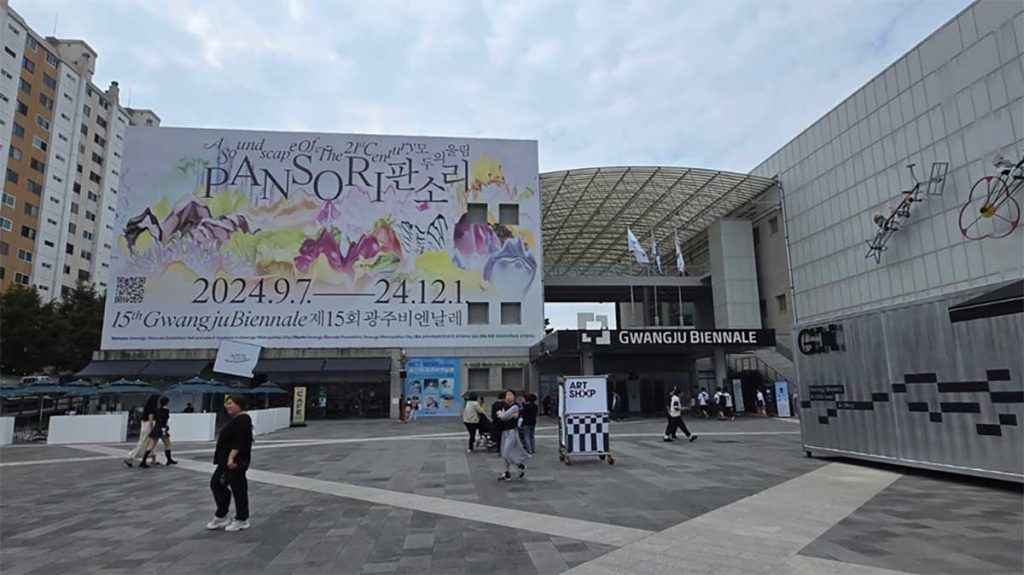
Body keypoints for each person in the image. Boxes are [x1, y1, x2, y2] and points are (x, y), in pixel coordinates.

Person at [206, 394, 253, 532]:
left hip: (234, 462)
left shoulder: (243, 419)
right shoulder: (237, 419)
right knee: (217, 484)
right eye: (227, 403)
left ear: (239, 404)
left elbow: (241, 440)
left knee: (238, 488)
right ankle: (222, 515)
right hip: (226, 461)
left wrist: (231, 457)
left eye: (231, 403)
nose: (228, 406)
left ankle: (242, 519)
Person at [496, 390, 529, 480]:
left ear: (514, 397)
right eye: (507, 395)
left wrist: (501, 414)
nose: (508, 396)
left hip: (511, 431)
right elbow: (503, 416)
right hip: (504, 431)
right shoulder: (505, 406)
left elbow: (504, 416)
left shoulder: (515, 406)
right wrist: (503, 415)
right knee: (504, 453)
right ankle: (506, 472)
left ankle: (520, 464)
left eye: (510, 394)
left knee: (506, 452)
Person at [124, 394, 159, 468]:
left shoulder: (147, 407)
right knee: (145, 442)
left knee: (149, 442)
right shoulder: (152, 408)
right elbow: (151, 417)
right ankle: (130, 457)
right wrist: (152, 428)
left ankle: (153, 457)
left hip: (145, 424)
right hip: (149, 425)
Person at [147, 396, 178, 466]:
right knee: (168, 444)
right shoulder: (166, 411)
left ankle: (143, 460)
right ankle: (169, 459)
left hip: (156, 428)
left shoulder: (157, 410)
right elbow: (166, 419)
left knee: (151, 445)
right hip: (163, 428)